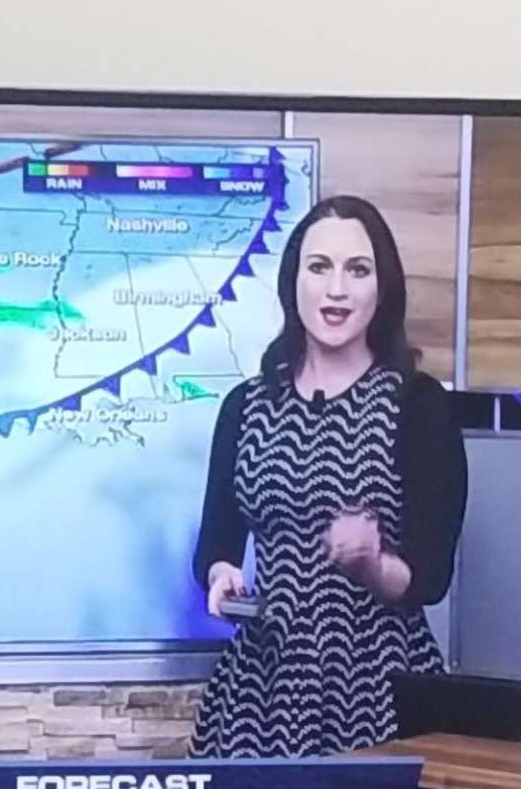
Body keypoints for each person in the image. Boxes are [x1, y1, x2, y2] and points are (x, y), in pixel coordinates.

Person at [190, 195, 469, 759]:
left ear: (381, 288)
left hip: (380, 694)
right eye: (319, 267)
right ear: (293, 281)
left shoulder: (419, 406)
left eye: (357, 270)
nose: (336, 289)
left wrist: (370, 564)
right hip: (259, 696)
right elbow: (217, 544)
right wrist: (221, 577)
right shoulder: (245, 406)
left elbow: (430, 579)